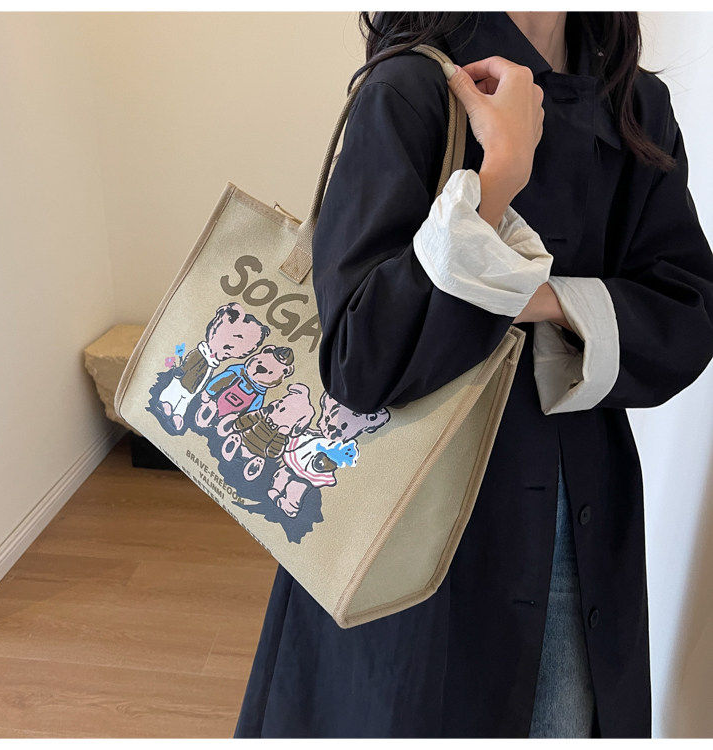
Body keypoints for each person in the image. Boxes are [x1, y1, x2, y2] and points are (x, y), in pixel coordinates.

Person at [234, 11, 713, 738]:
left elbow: (687, 315)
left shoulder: (635, 103)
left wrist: (540, 297)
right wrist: (499, 179)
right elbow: (360, 360)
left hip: (570, 512)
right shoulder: (409, 87)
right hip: (405, 507)